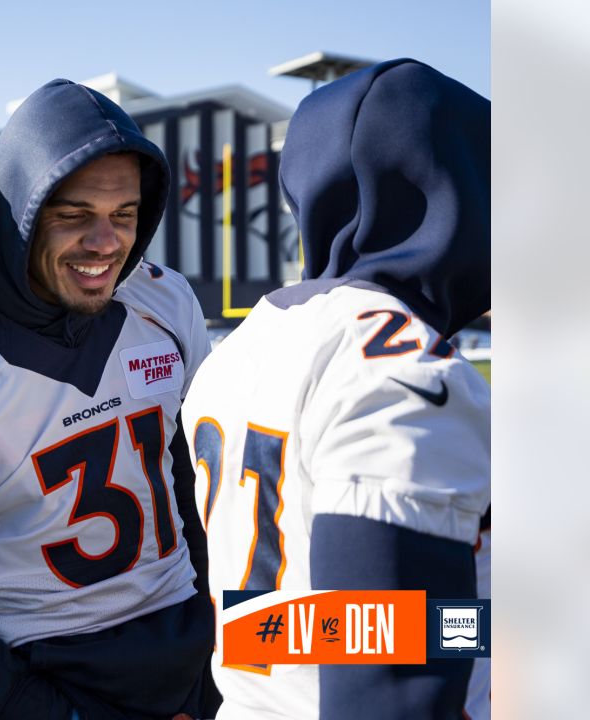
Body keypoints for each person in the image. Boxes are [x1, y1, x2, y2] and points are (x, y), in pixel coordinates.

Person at [0, 79, 216, 719]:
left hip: (185, 662)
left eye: (125, 215)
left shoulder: (165, 301)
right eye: (74, 215)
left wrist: (211, 656)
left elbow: (196, 493)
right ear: (19, 213)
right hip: (41, 677)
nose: (106, 243)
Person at [179, 58, 490, 719]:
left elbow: (290, 623)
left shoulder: (246, 346)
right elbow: (387, 668)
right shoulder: (397, 363)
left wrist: (476, 627)